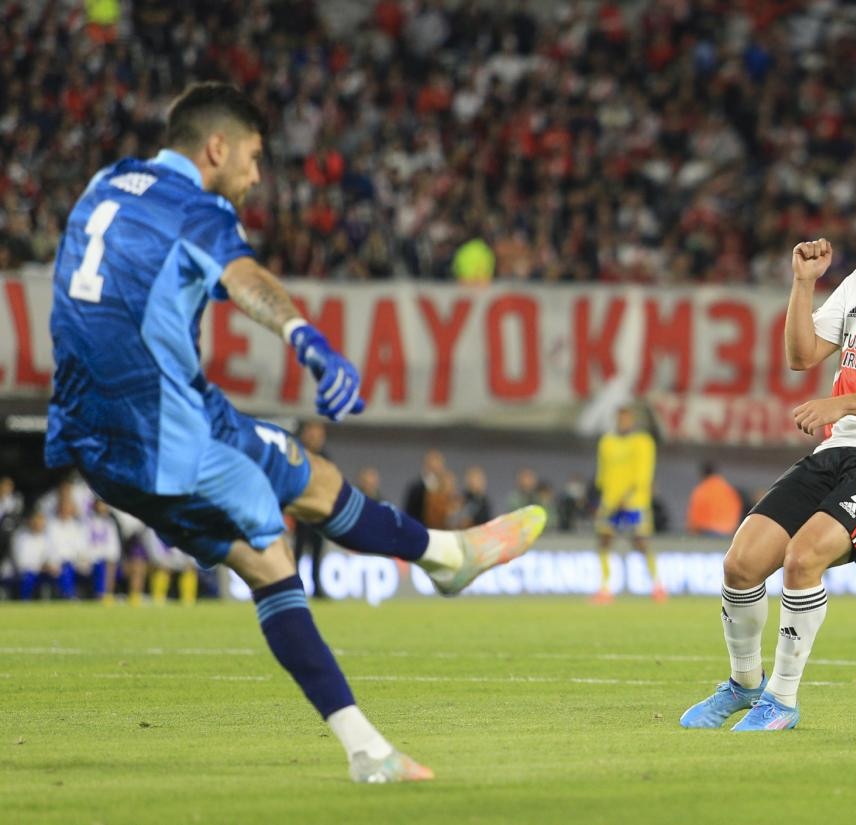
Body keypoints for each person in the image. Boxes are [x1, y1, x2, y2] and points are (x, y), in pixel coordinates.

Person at [43, 82, 546, 783]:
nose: (255, 177)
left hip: (91, 436)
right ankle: (444, 559)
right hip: (164, 429)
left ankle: (372, 741)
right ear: (215, 148)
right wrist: (303, 335)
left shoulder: (104, 185)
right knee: (296, 503)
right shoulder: (196, 205)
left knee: (271, 547)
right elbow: (245, 275)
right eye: (251, 158)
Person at [680, 178, 856, 732]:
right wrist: (802, 283)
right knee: (740, 564)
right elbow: (800, 355)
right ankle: (744, 684)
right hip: (838, 448)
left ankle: (782, 701)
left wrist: (842, 404)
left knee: (803, 558)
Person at [592, 404, 663, 603]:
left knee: (640, 542)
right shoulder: (606, 442)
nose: (623, 422)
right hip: (610, 502)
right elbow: (602, 473)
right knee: (604, 541)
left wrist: (628, 496)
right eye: (620, 418)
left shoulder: (642, 441)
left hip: (634, 502)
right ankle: (605, 588)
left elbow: (644, 473)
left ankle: (657, 586)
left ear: (632, 420)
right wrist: (603, 498)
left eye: (626, 418)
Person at [292, 421, 328, 597]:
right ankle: (294, 588)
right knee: (297, 553)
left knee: (317, 553)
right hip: (300, 512)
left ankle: (317, 587)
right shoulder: (297, 455)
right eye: (313, 433)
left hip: (318, 514)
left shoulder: (326, 458)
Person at [685, 463, 743, 537]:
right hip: (729, 531)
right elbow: (737, 508)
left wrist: (692, 531)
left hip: (708, 531)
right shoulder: (729, 489)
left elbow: (695, 515)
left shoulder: (702, 490)